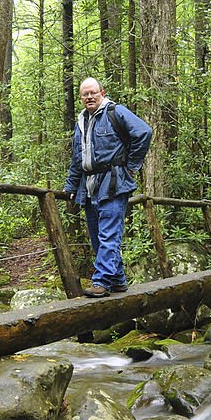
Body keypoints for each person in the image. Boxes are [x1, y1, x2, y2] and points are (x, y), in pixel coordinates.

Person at [65, 77, 152, 297]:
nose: (89, 97)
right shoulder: (81, 121)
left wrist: (131, 166)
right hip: (89, 187)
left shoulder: (116, 112)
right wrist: (71, 184)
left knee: (108, 236)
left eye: (93, 92)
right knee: (97, 238)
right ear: (81, 97)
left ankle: (101, 282)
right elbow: (77, 157)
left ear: (102, 93)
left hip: (113, 184)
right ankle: (119, 281)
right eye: (85, 94)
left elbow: (144, 132)